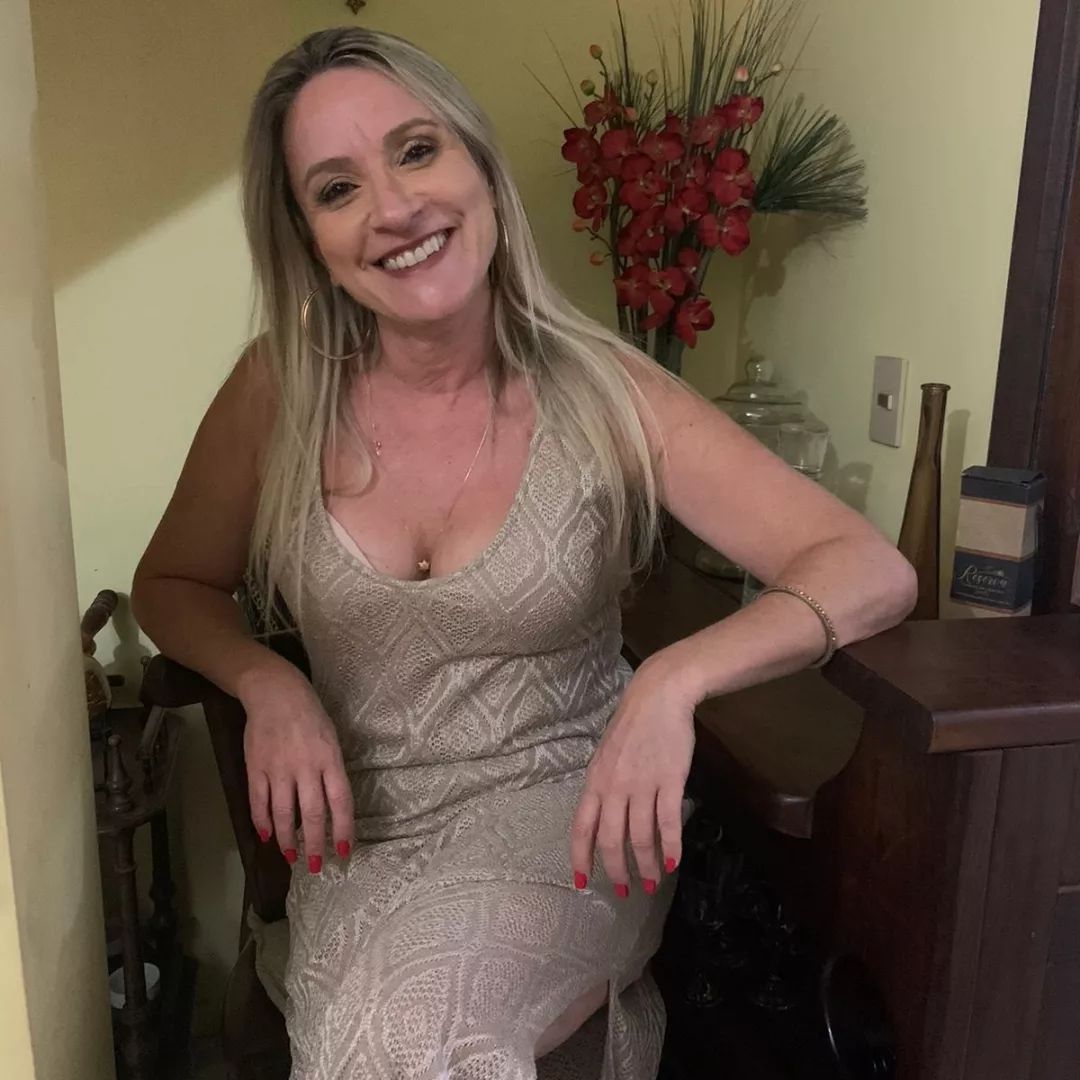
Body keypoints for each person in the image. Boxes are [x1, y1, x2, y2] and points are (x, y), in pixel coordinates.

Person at [131, 26, 916, 1080]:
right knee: (368, 1038)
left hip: (571, 821)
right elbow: (172, 582)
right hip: (363, 844)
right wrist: (265, 681)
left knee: (404, 1040)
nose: (394, 208)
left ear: (481, 167)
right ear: (308, 238)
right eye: (337, 188)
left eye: (417, 151)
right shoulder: (278, 389)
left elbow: (867, 567)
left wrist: (671, 682)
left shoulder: (604, 391)